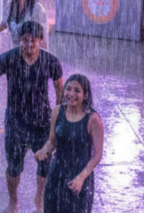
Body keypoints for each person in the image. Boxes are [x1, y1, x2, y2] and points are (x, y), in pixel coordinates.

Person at [0, 21, 64, 213]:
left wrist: (58, 116)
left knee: (45, 165)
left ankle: (40, 198)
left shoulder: (50, 61)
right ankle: (13, 201)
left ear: (41, 41)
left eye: (33, 41)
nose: (28, 45)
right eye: (24, 41)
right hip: (15, 122)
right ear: (19, 40)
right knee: (13, 168)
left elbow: (60, 86)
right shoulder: (9, 59)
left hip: (42, 122)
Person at [36, 74, 104, 213]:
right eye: (68, 89)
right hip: (57, 172)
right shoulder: (58, 111)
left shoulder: (92, 119)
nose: (71, 94)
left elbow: (97, 155)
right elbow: (52, 141)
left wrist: (81, 177)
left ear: (85, 95)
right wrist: (44, 150)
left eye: (77, 90)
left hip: (80, 176)